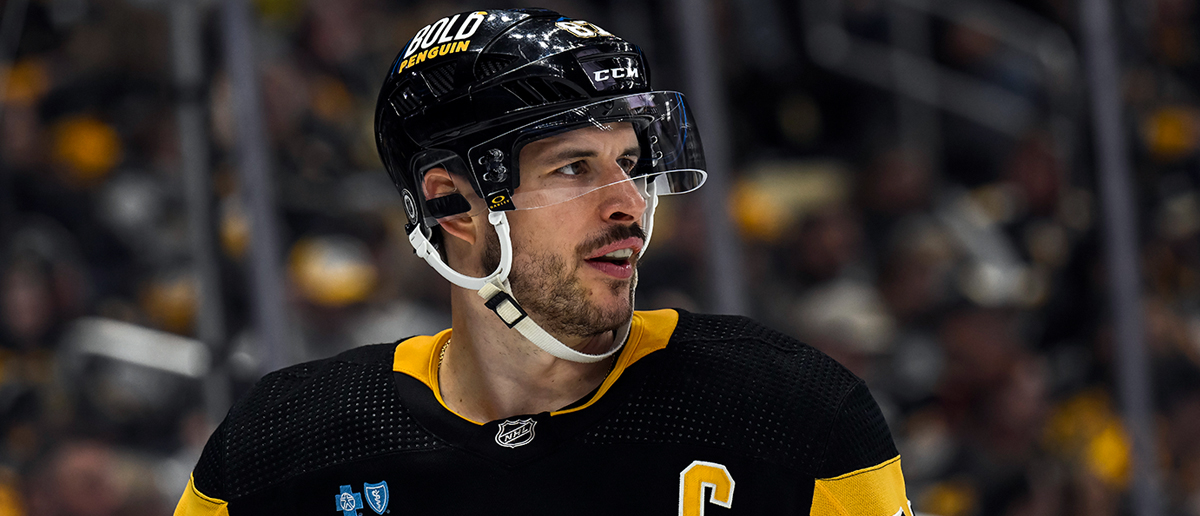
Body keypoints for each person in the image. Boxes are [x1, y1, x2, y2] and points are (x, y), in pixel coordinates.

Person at [175, 8, 913, 515]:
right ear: (450, 205)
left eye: (629, 162)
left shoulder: (790, 413)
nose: (629, 203)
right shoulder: (282, 446)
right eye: (573, 168)